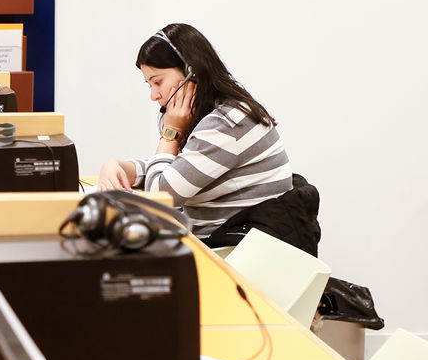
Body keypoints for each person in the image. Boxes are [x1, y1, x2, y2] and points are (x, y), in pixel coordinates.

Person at [97, 23, 317, 248]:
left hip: (233, 255)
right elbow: (177, 170)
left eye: (158, 82)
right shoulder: (218, 115)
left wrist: (170, 136)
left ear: (191, 72)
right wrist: (118, 167)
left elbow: (160, 197)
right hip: (226, 244)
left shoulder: (227, 124)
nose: (154, 95)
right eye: (149, 85)